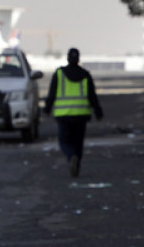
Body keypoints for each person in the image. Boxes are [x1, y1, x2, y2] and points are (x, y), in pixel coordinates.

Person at [45, 47, 104, 177]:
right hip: (81, 115)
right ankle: (76, 162)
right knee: (78, 142)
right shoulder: (85, 74)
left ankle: (71, 156)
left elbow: (52, 94)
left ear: (67, 58)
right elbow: (92, 95)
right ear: (78, 59)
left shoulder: (59, 73)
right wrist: (98, 112)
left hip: (63, 115)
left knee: (64, 142)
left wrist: (47, 109)